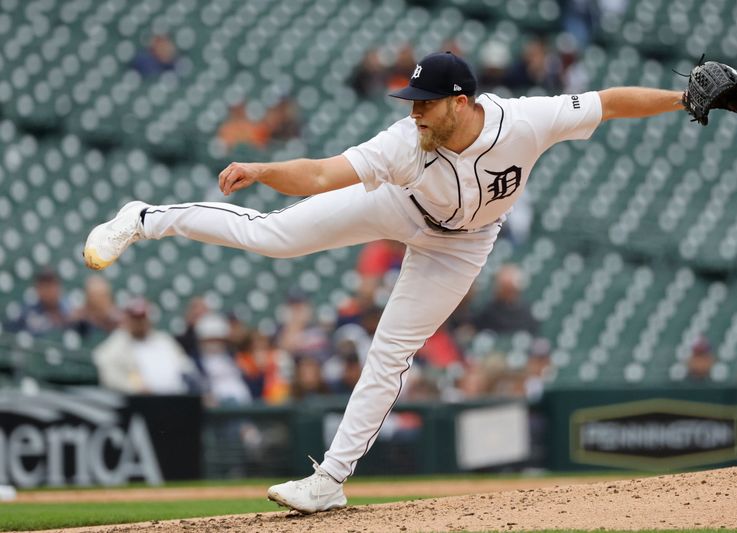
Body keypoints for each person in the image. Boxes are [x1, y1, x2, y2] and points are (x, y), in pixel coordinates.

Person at [84, 50, 700, 513]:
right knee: (274, 237)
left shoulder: (527, 120)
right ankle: (145, 218)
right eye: (413, 100)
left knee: (390, 354)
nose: (416, 110)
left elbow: (609, 101)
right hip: (400, 204)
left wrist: (685, 99)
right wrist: (267, 167)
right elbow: (325, 173)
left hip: (462, 247)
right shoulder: (406, 141)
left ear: (461, 102)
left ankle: (329, 482)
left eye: (426, 101)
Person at [93, 298, 198, 394]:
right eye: (135, 318)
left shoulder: (164, 340)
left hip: (177, 398)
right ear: (127, 319)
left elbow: (186, 367)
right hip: (141, 401)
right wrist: (134, 388)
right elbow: (108, 374)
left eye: (142, 318)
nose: (139, 323)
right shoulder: (116, 344)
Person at [6, 268, 72, 336]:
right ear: (37, 289)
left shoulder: (69, 312)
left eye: (51, 286)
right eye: (44, 287)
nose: (48, 292)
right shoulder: (27, 313)